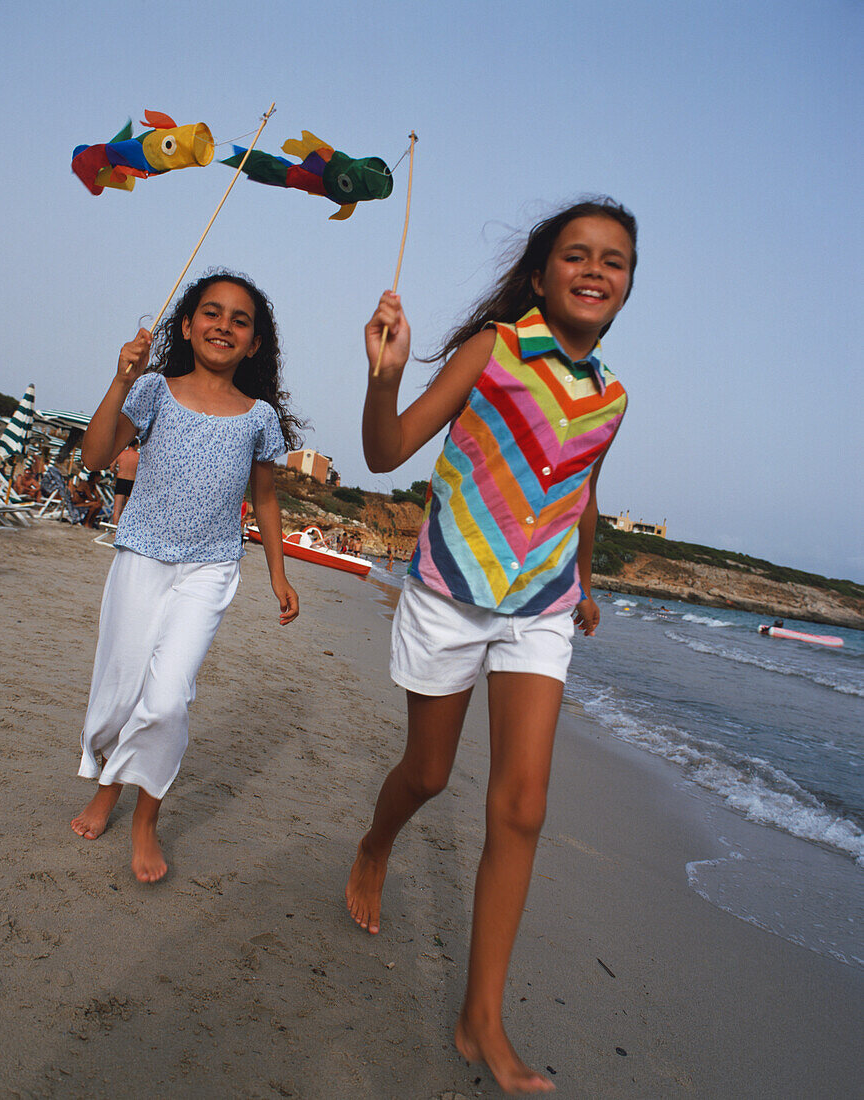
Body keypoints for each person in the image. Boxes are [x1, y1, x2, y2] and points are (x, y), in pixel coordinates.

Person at [346, 198, 637, 1094]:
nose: (594, 270)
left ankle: (482, 1019)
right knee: (428, 776)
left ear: (628, 285)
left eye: (614, 261)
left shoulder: (613, 397)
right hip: (449, 592)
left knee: (521, 807)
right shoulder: (495, 350)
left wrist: (582, 582)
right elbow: (388, 450)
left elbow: (578, 488)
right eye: (576, 255)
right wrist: (384, 376)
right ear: (543, 272)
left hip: (538, 608)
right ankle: (375, 844)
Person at [71, 271, 303, 883]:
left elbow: (267, 498)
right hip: (141, 556)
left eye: (240, 319)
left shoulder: (258, 417)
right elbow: (95, 458)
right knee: (118, 692)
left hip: (210, 568)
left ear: (254, 344)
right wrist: (122, 377)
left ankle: (147, 814)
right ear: (186, 326)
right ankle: (108, 783)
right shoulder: (151, 390)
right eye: (211, 312)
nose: (224, 324)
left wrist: (279, 574)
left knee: (169, 698)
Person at [110, 438, 139, 524]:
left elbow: (111, 468)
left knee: (117, 509)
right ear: (136, 445)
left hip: (121, 480)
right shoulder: (138, 456)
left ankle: (115, 530)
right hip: (132, 482)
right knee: (128, 510)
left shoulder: (121, 454)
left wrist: (117, 472)